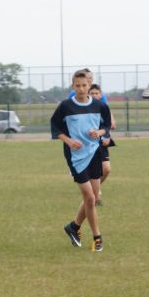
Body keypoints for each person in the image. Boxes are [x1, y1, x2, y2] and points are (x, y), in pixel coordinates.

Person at [51, 69, 112, 252]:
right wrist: (69, 141)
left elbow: (106, 126)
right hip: (76, 157)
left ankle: (74, 227)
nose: (81, 88)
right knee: (90, 197)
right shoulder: (65, 106)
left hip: (94, 154)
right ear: (73, 86)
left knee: (93, 199)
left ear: (89, 85)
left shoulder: (99, 106)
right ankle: (97, 238)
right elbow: (55, 127)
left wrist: (99, 132)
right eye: (77, 86)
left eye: (84, 85)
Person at [89, 84, 116, 206]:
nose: (94, 95)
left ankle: (94, 189)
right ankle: (95, 197)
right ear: (88, 94)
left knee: (106, 169)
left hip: (101, 141)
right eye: (92, 93)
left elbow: (107, 125)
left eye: (96, 93)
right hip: (89, 142)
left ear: (100, 95)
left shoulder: (104, 108)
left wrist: (107, 136)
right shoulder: (85, 109)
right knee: (92, 171)